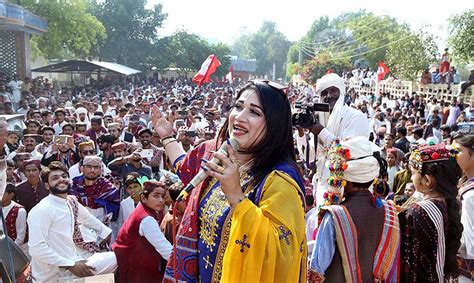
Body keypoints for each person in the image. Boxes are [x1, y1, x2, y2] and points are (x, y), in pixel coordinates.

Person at [154, 80, 307, 282]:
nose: (240, 117)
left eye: (255, 112)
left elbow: (281, 254)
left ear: (274, 124)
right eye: (238, 106)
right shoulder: (216, 151)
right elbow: (185, 167)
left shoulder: (279, 179)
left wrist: (236, 198)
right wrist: (166, 137)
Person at [308, 137, 400, 282]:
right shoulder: (390, 210)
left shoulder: (335, 215)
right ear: (372, 179)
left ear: (345, 181)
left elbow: (317, 267)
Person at [27, 162, 117, 282]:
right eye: (55, 178)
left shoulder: (70, 201)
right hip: (53, 273)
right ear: (47, 186)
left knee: (116, 257)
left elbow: (87, 218)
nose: (61, 180)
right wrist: (70, 265)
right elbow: (36, 248)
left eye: (64, 176)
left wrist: (105, 232)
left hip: (74, 260)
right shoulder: (42, 210)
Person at [399, 144, 463, 282]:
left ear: (427, 180)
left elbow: (409, 260)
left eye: (413, 173)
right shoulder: (450, 203)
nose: (411, 178)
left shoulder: (419, 210)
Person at [308, 73, 370, 208]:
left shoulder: (355, 116)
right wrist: (302, 132)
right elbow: (311, 156)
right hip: (322, 185)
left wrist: (321, 132)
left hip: (347, 190)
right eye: (324, 92)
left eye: (333, 90)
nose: (329, 95)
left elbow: (347, 152)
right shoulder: (319, 119)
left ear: (341, 92)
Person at [112, 180, 172, 282]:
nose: (161, 200)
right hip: (137, 271)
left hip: (132, 266)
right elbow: (166, 250)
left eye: (163, 196)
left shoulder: (143, 210)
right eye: (156, 196)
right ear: (144, 198)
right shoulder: (146, 219)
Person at [70, 156, 120, 223]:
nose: (92, 170)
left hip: (101, 227)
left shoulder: (108, 188)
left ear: (100, 170)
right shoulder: (74, 185)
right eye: (89, 167)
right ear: (82, 168)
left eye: (96, 167)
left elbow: (114, 207)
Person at [452, 132, 474, 282]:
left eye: (458, 151)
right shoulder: (463, 182)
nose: (454, 156)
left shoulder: (470, 194)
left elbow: (470, 244)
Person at [2, 183, 28, 254]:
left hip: (18, 250)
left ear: (11, 195)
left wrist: (11, 250)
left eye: (2, 193)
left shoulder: (19, 211)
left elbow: (20, 236)